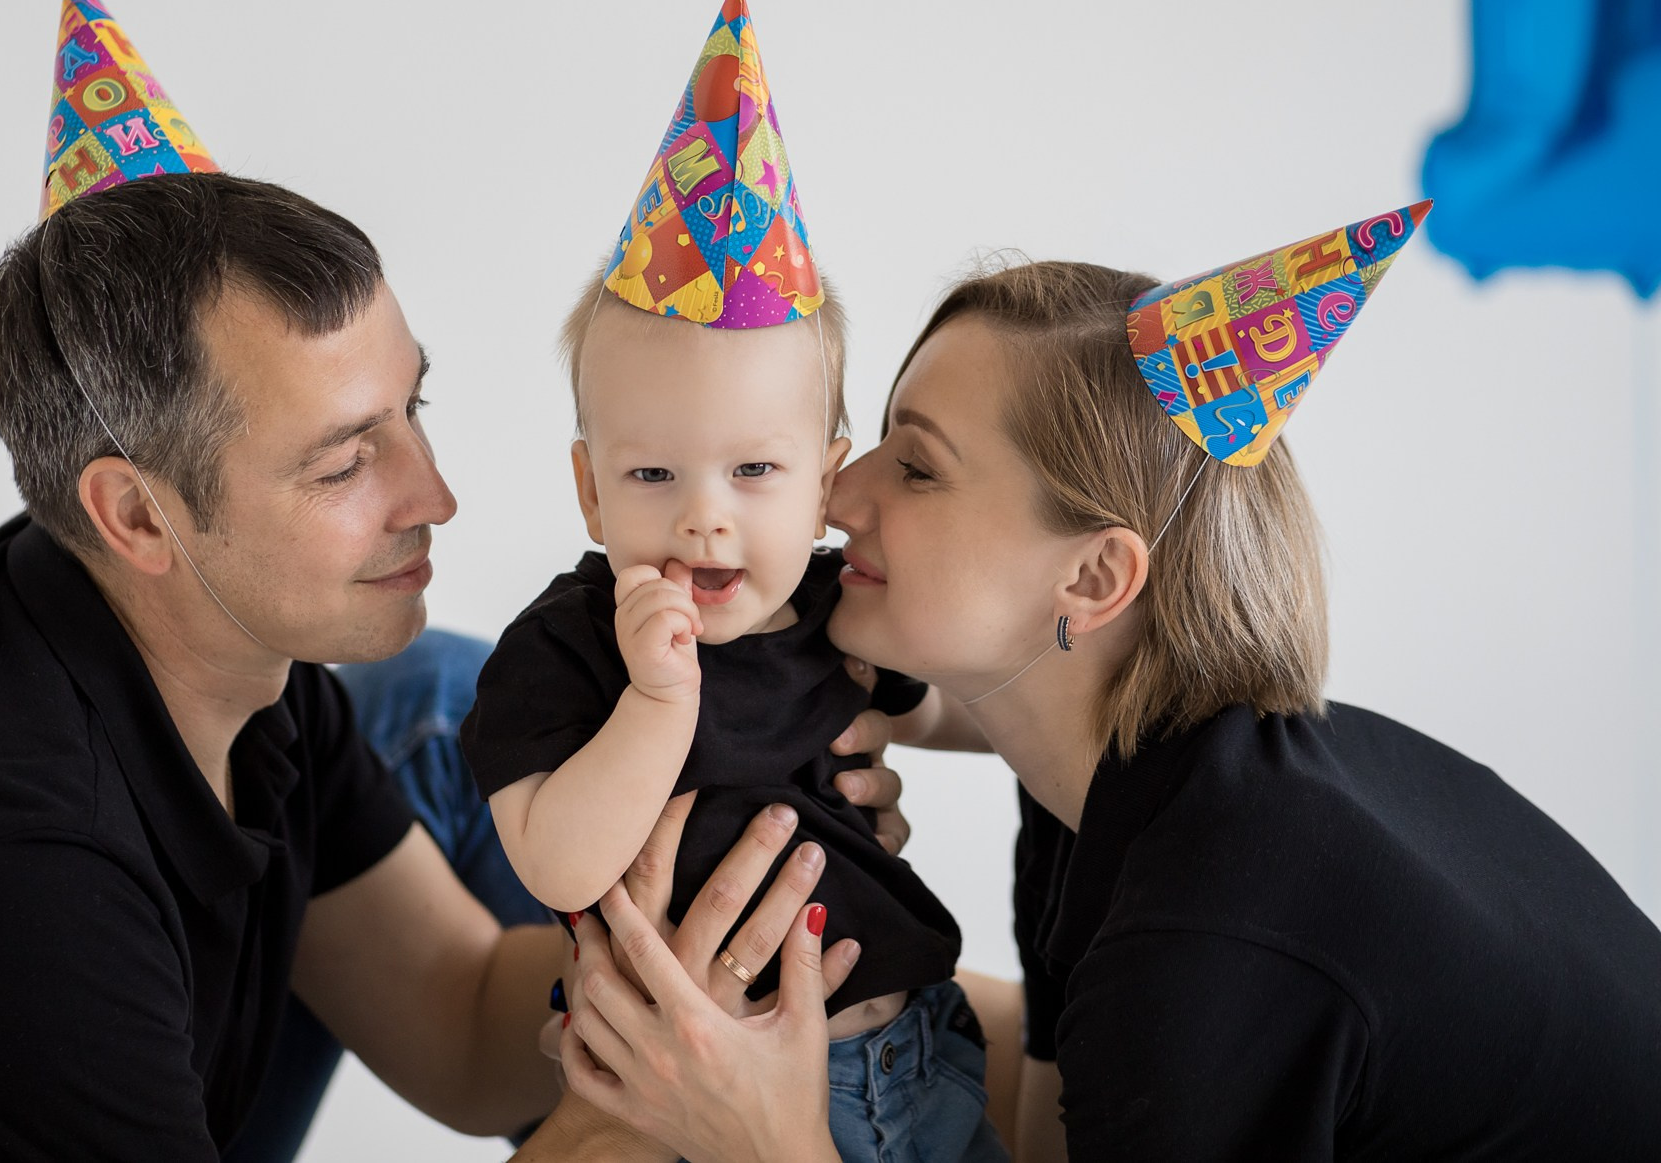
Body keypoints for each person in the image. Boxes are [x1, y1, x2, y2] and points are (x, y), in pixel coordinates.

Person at [0, 0, 893, 1162]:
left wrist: (718, 915)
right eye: (345, 461)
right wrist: (677, 1086)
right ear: (136, 515)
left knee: (479, 709)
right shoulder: (8, 868)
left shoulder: (221, 652)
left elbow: (460, 1026)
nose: (438, 495)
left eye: (416, 409)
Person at [566, 208, 1661, 1160]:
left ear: (1092, 576)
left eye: (915, 463)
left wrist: (762, 1137)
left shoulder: (1210, 932)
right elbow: (1058, 1140)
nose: (838, 492)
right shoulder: (1119, 797)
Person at [461, 0, 1003, 1163]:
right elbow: (554, 856)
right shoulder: (564, 648)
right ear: (589, 490)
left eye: (753, 468)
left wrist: (964, 724)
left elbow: (960, 697)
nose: (703, 514)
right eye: (652, 471)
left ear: (823, 480)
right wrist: (657, 703)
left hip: (908, 1046)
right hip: (678, 1095)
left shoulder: (836, 609)